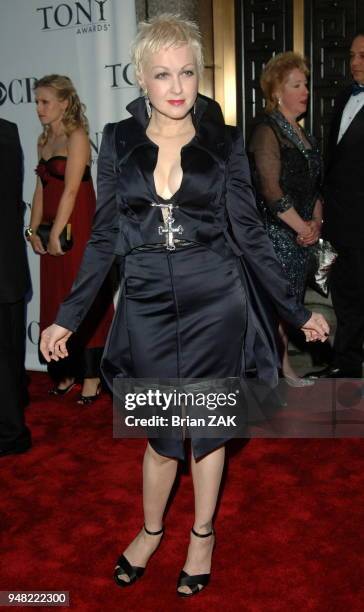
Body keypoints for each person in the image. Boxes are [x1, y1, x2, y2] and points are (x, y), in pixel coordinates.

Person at [40, 15, 329, 596]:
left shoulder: (224, 141)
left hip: (215, 300)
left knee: (208, 428)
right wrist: (68, 315)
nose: (177, 86)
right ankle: (150, 530)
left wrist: (295, 312)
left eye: (188, 72)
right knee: (158, 431)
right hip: (145, 301)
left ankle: (201, 533)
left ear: (200, 75)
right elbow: (104, 237)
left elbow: (248, 233)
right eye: (163, 74)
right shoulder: (119, 143)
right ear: (141, 79)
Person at [26, 75, 114, 403]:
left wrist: (57, 233)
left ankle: (92, 375)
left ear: (64, 103)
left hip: (75, 223)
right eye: (37, 102)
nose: (39, 108)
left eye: (45, 101)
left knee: (81, 293)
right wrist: (32, 230)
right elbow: (40, 187)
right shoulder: (43, 138)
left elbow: (72, 190)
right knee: (54, 296)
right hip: (51, 226)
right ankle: (65, 370)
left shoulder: (77, 137)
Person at [248, 52, 323, 386]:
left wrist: (316, 224)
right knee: (274, 307)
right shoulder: (268, 130)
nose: (305, 90)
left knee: (288, 304)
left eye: (305, 83)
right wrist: (301, 227)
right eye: (297, 84)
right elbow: (270, 189)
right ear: (277, 91)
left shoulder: (304, 133)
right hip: (276, 237)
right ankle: (271, 375)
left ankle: (283, 370)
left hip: (301, 237)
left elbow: (317, 187)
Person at [306, 34, 364, 379]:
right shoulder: (344, 96)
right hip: (340, 219)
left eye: (363, 55)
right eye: (352, 55)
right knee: (345, 294)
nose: (355, 62)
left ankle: (348, 360)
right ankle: (347, 362)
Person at [0, 118, 32, 457]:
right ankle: (17, 400)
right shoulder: (9, 129)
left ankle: (10, 432)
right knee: (10, 345)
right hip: (10, 264)